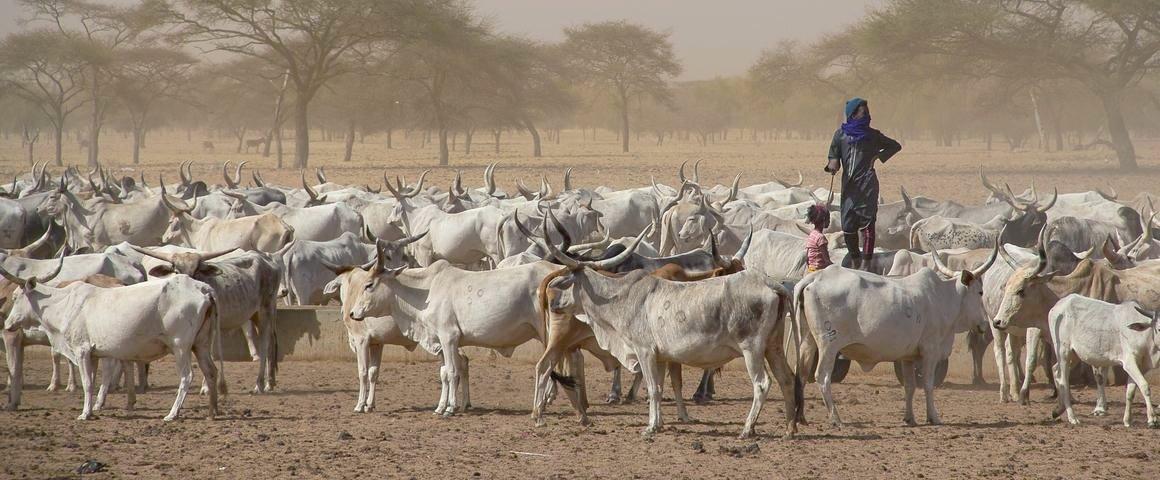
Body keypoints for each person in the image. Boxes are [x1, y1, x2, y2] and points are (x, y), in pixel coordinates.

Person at [825, 97, 902, 269]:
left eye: (868, 112)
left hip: (867, 184)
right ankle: (855, 259)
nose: (868, 115)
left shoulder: (873, 135)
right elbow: (833, 156)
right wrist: (833, 164)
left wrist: (878, 156)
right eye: (863, 112)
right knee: (848, 225)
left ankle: (866, 263)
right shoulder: (840, 135)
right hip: (848, 186)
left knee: (868, 224)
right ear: (853, 114)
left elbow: (895, 146)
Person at [805, 203, 832, 273]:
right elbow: (827, 261)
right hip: (819, 270)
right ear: (823, 220)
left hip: (811, 269)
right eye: (828, 219)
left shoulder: (812, 234)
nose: (829, 221)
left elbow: (807, 256)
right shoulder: (821, 238)